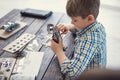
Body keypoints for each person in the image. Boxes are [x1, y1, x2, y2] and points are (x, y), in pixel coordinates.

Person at [50, 0, 106, 80]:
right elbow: (82, 28)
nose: (71, 22)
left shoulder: (89, 40)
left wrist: (58, 51)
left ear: (90, 18)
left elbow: (72, 74)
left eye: (75, 20)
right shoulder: (97, 26)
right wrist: (70, 26)